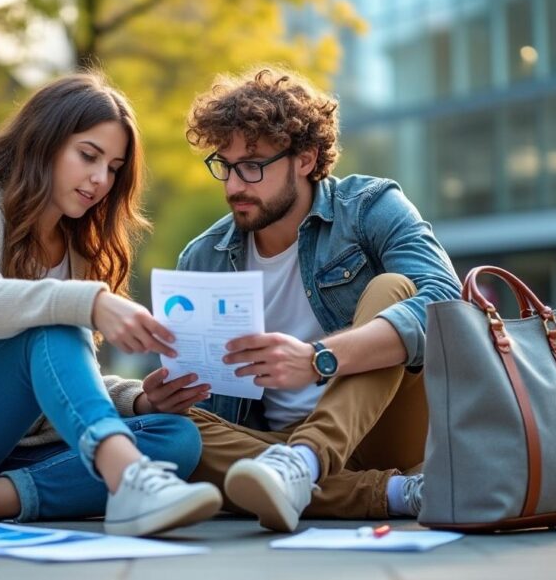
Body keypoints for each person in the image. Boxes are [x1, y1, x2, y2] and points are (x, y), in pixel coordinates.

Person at [0, 72, 221, 537]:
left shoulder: (77, 251)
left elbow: (57, 376)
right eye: (88, 156)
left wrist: (140, 398)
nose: (99, 179)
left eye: (113, 167)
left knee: (177, 439)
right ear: (43, 141)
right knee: (51, 321)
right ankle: (129, 479)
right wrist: (89, 302)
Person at [153, 67, 462, 532]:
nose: (235, 185)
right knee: (164, 436)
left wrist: (319, 360)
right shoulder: (202, 257)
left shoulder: (369, 207)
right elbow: (209, 407)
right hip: (269, 445)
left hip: (385, 425)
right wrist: (168, 399)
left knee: (392, 289)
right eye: (225, 164)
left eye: (253, 164)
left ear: (305, 158)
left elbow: (445, 301)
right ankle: (394, 492)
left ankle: (305, 464)